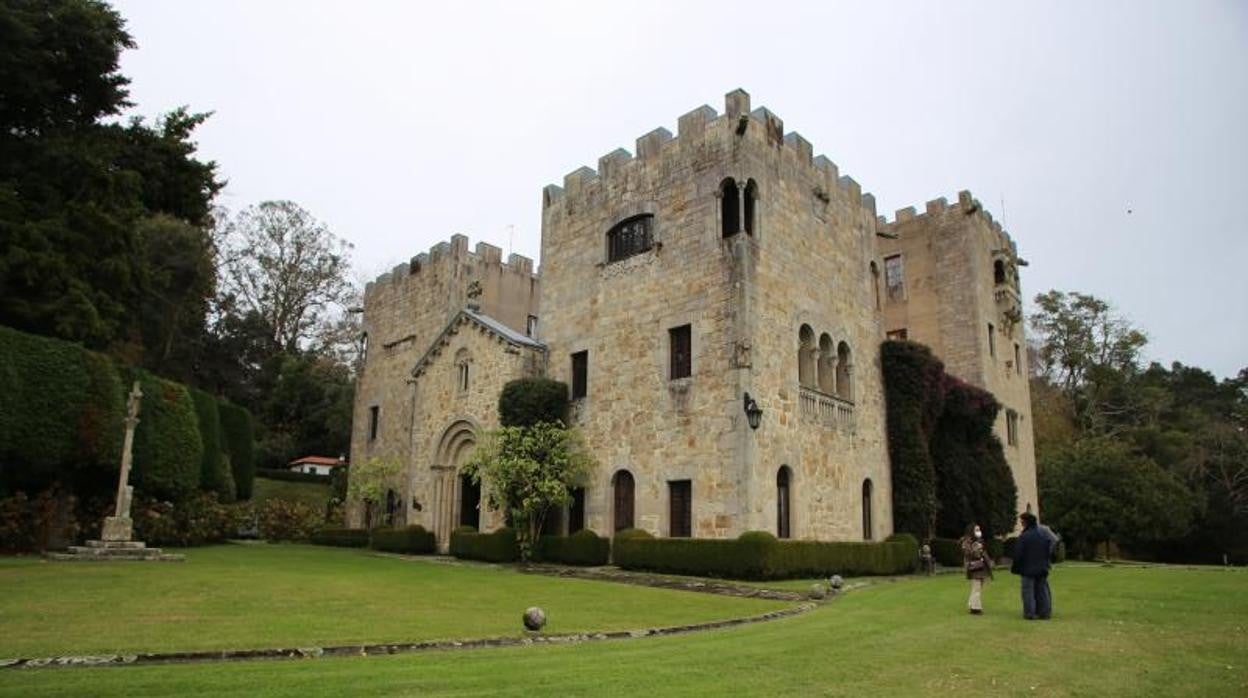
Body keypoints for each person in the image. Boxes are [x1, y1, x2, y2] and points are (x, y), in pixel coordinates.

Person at [1011, 511, 1053, 620]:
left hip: (1028, 569)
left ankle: (1030, 613)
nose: (1021, 524)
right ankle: (1045, 612)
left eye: (1022, 522)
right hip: (1042, 568)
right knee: (1042, 591)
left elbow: (1018, 554)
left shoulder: (1024, 537)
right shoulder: (1043, 536)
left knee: (1028, 591)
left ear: (1026, 522)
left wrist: (1015, 567)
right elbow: (1048, 551)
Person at [960, 523, 992, 614]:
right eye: (977, 530)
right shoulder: (966, 542)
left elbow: (983, 553)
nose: (979, 531)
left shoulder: (979, 541)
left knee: (978, 587)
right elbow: (968, 554)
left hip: (981, 566)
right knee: (976, 587)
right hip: (974, 567)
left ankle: (972, 604)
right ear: (971, 531)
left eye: (979, 529)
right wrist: (976, 548)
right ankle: (976, 608)